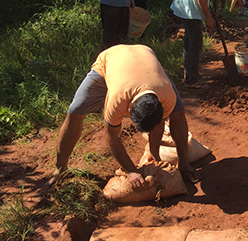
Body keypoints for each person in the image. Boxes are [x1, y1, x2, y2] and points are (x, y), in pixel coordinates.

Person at [48, 44, 197, 188]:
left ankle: (184, 163)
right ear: (129, 109)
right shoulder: (117, 99)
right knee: (75, 111)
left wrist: (154, 156)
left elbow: (158, 124)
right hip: (109, 61)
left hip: (145, 59)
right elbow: (111, 136)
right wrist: (131, 170)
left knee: (178, 112)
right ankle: (60, 168)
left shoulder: (166, 95)